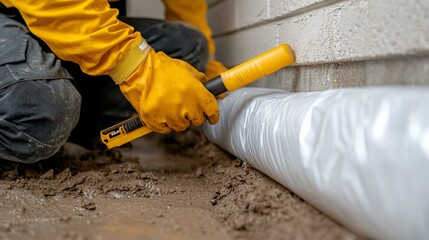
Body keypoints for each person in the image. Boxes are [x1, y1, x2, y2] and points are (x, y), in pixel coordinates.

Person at [0, 0, 228, 163]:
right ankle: (41, 118)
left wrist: (202, 70)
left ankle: (69, 122)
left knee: (187, 46)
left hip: (74, 19)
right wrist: (136, 67)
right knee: (35, 110)